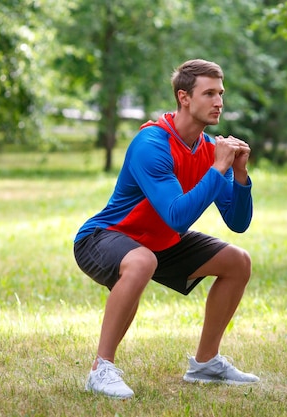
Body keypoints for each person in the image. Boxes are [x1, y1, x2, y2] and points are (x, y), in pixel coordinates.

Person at [73, 59, 259, 399]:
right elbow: (176, 216)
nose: (218, 102)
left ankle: (205, 364)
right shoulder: (152, 144)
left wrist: (241, 175)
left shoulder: (209, 151)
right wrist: (218, 169)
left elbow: (238, 222)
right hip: (104, 237)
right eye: (209, 94)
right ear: (184, 97)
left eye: (221, 93)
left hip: (159, 243)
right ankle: (101, 370)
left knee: (238, 261)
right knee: (143, 261)